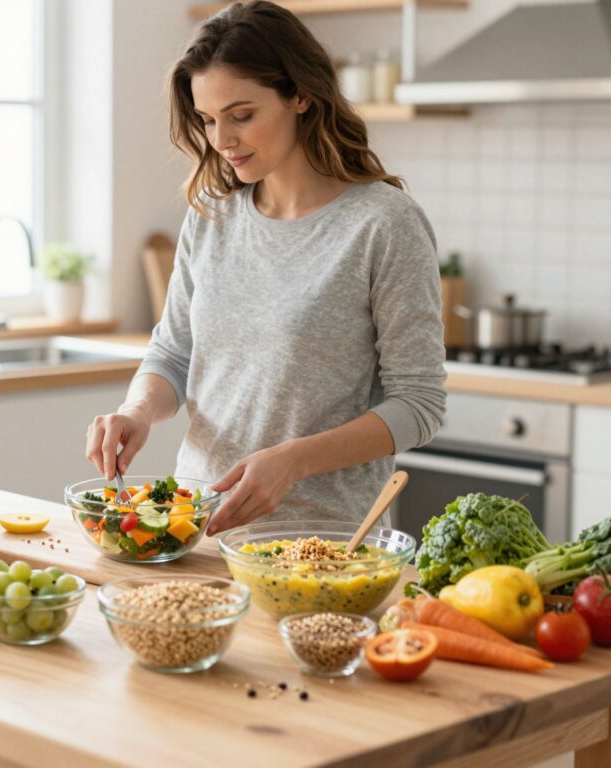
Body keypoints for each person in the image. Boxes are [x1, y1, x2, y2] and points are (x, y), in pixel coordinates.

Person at [85, 0, 446, 535]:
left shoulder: (383, 224)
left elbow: (419, 405)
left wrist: (293, 460)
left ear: (300, 94)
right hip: (195, 529)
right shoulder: (212, 214)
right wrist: (137, 410)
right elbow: (174, 354)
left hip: (322, 548)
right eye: (208, 120)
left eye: (242, 115)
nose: (221, 141)